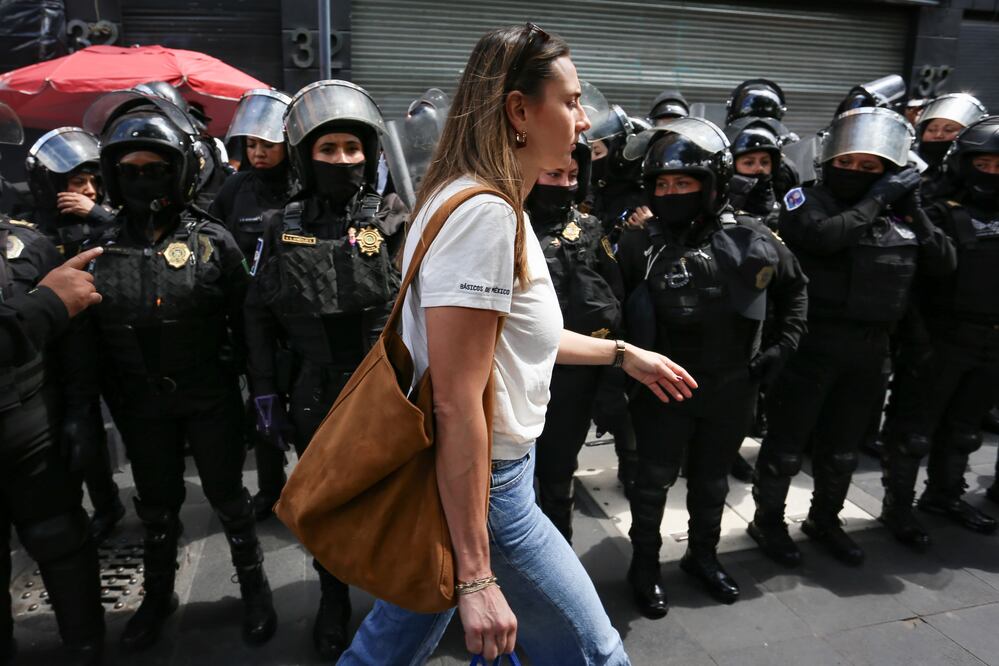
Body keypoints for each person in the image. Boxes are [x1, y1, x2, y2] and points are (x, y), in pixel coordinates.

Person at [339, 24, 696, 665]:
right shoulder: (485, 214)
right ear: (518, 110)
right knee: (597, 655)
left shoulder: (471, 198)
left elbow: (516, 342)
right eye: (571, 100)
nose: (584, 121)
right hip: (492, 489)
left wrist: (621, 355)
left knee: (392, 653)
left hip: (486, 478)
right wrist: (477, 576)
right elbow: (457, 398)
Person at [82, 95, 276, 650]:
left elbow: (248, 321)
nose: (144, 180)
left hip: (208, 394)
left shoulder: (213, 240)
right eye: (131, 171)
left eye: (157, 168)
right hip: (139, 404)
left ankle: (256, 591)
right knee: (157, 502)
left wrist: (258, 393)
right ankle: (158, 594)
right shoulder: (98, 246)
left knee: (228, 498)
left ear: (181, 170)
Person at [243, 79, 407, 661]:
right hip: (313, 384)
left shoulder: (395, 218)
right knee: (325, 503)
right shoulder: (277, 224)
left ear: (370, 152)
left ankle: (396, 604)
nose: (342, 160)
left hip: (384, 386)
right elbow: (257, 316)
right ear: (306, 154)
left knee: (392, 501)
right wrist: (264, 390)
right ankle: (333, 597)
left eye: (352, 148)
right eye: (328, 149)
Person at [749, 107, 956, 568]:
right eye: (848, 162)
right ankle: (768, 522)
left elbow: (943, 265)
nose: (857, 173)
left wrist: (915, 210)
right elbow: (825, 238)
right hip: (811, 345)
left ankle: (825, 519)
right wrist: (879, 197)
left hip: (871, 350)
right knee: (785, 447)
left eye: (871, 167)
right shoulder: (808, 199)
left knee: (842, 450)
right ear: (830, 161)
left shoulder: (896, 209)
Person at [615, 118, 807, 613]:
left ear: (711, 184)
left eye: (684, 183)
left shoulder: (752, 236)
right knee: (652, 482)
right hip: (661, 389)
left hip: (730, 387)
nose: (672, 191)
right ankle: (644, 564)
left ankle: (702, 556)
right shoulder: (639, 242)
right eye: (663, 183)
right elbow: (612, 310)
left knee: (712, 481)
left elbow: (794, 289)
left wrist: (781, 346)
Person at [882, 116, 999, 546]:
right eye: (982, 164)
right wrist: (915, 340)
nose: (990, 174)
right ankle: (897, 508)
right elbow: (910, 282)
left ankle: (945, 495)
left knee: (966, 430)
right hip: (940, 338)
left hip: (992, 342)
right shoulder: (935, 212)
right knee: (913, 432)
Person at [23, 126, 126, 542]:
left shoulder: (107, 220)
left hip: (110, 340)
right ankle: (97, 505)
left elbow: (130, 246)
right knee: (76, 427)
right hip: (61, 347)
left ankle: (124, 501)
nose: (88, 191)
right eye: (76, 183)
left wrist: (97, 215)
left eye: (92, 182)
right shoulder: (33, 230)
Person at [527, 137, 625, 543]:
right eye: (553, 174)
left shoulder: (587, 228)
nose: (565, 184)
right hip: (514, 375)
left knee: (558, 474)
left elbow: (613, 299)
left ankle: (559, 552)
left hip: (571, 379)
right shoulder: (504, 225)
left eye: (571, 175)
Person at [211, 89, 294, 521]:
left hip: (296, 319)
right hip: (250, 316)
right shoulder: (235, 188)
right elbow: (215, 239)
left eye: (268, 144)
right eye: (252, 145)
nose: (259, 153)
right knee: (261, 402)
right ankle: (270, 489)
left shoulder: (305, 184)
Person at [915, 93, 988, 200]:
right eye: (931, 130)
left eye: (949, 130)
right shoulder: (909, 165)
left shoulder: (980, 167)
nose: (938, 135)